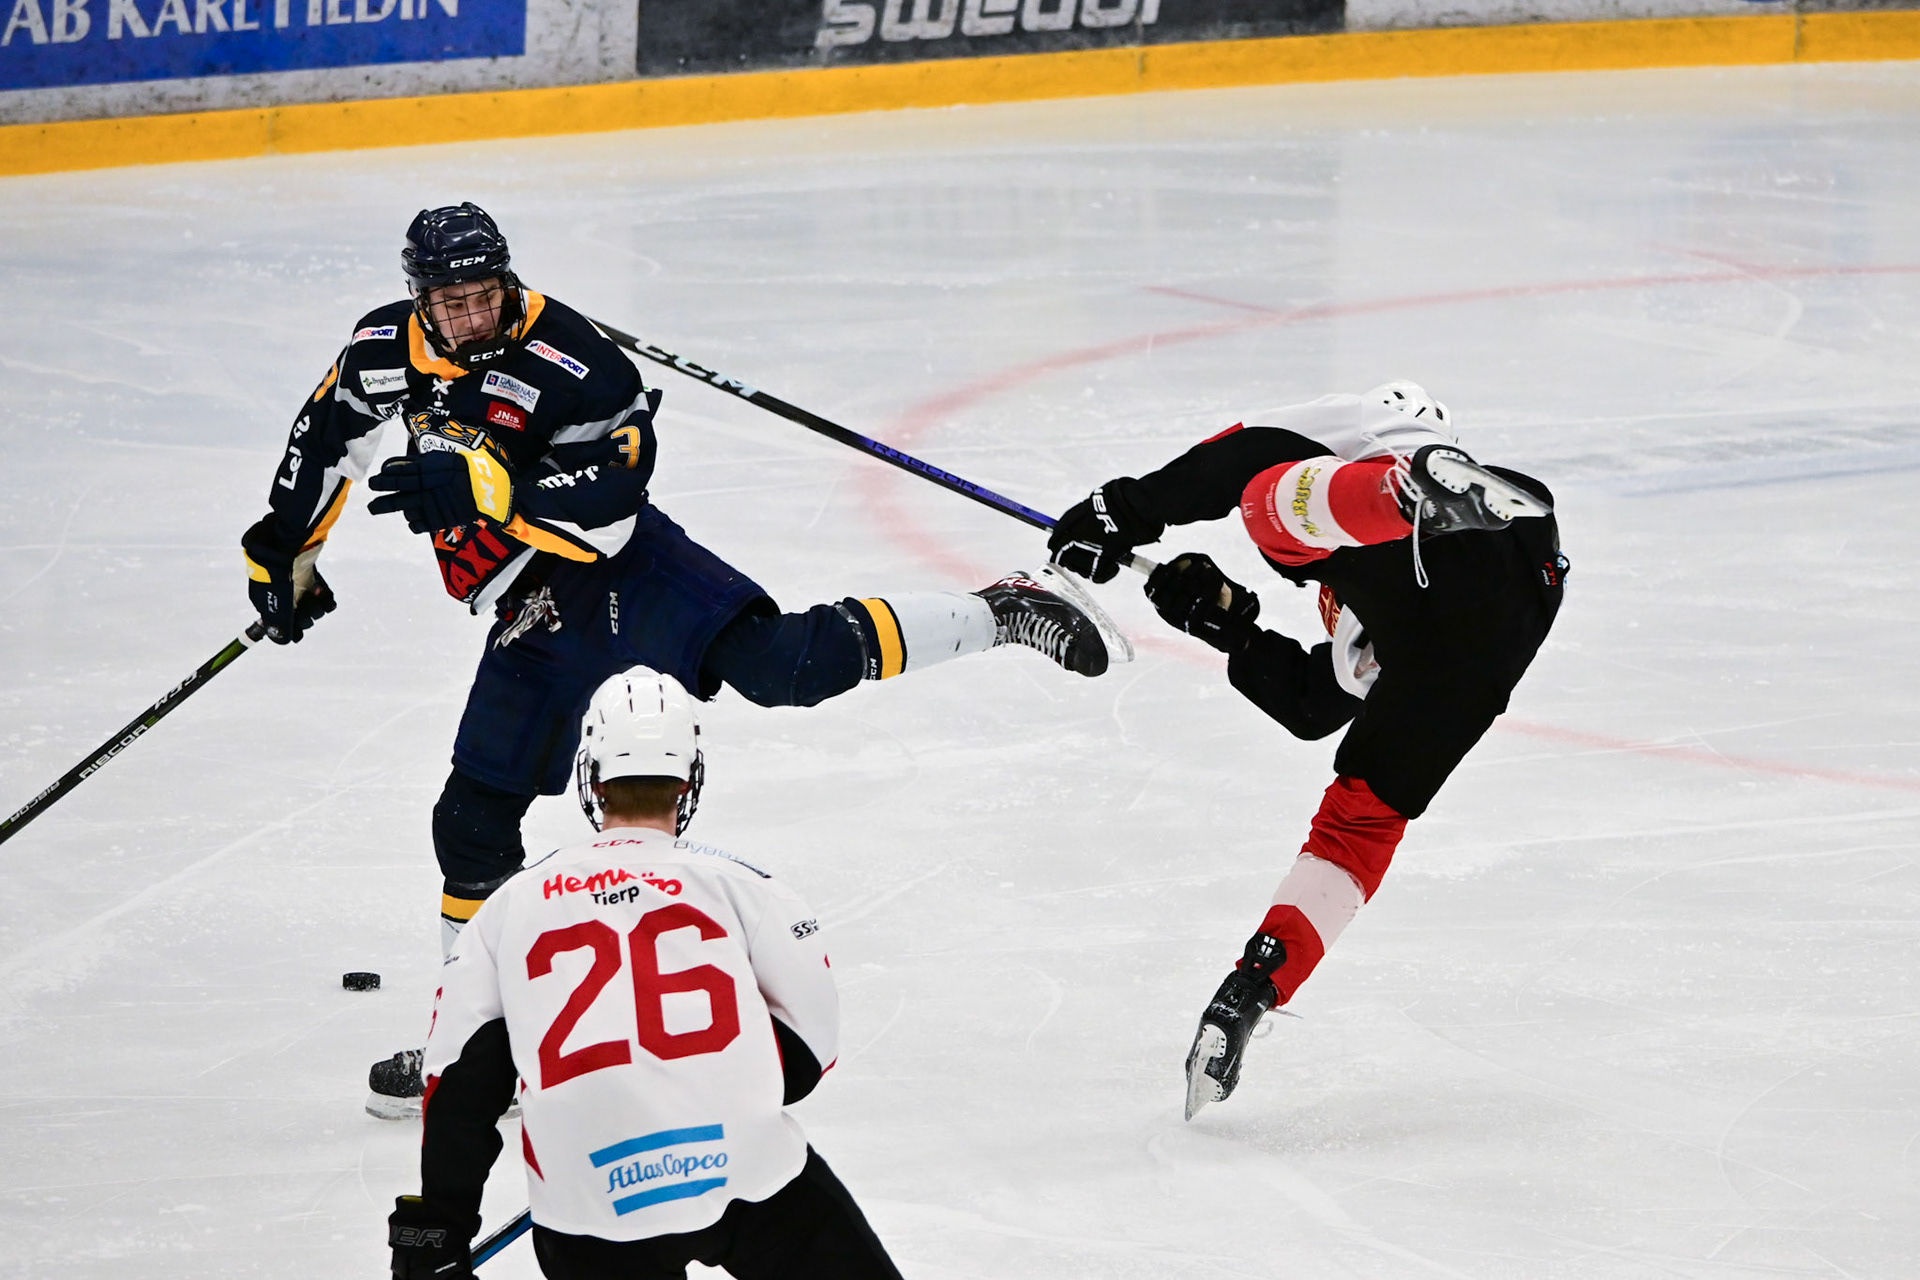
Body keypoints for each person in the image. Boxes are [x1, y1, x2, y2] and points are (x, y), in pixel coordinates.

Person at [239, 203, 1119, 1114]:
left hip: (622, 567)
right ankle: (476, 1048)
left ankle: (1002, 609)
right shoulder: (382, 349)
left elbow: (613, 501)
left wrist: (492, 487)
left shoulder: (578, 363)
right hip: (527, 606)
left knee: (785, 668)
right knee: (470, 822)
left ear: (507, 280)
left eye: (484, 296)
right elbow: (325, 435)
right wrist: (284, 551)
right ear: (418, 297)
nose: (469, 316)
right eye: (449, 302)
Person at [1046, 381, 1568, 1119]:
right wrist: (1230, 629)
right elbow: (1315, 703)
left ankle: (1406, 496)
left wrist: (1123, 510)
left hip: (1435, 540)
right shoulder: (1370, 603)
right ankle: (1253, 988)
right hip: (1496, 613)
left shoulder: (1377, 419)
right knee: (1360, 820)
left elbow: (1243, 455)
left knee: (1268, 506)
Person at [387, 666, 904, 1280]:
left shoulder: (506, 909)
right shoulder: (746, 888)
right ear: (688, 779)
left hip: (589, 1207)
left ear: (593, 778)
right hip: (747, 1172)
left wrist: (439, 1225)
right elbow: (808, 1049)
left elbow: (460, 1080)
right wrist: (713, 1091)